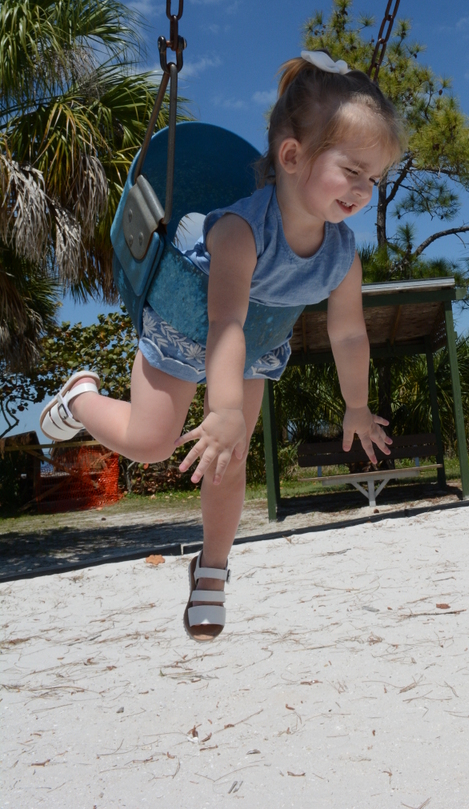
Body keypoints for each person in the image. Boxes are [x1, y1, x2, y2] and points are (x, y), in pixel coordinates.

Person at [39, 50, 406, 641]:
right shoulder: (240, 231)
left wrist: (357, 406)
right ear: (292, 156)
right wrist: (225, 408)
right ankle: (80, 397)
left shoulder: (342, 254)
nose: (364, 191)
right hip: (188, 319)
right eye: (352, 171)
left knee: (229, 461)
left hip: (254, 346)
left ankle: (212, 568)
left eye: (375, 178)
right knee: (152, 442)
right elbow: (225, 322)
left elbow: (348, 332)